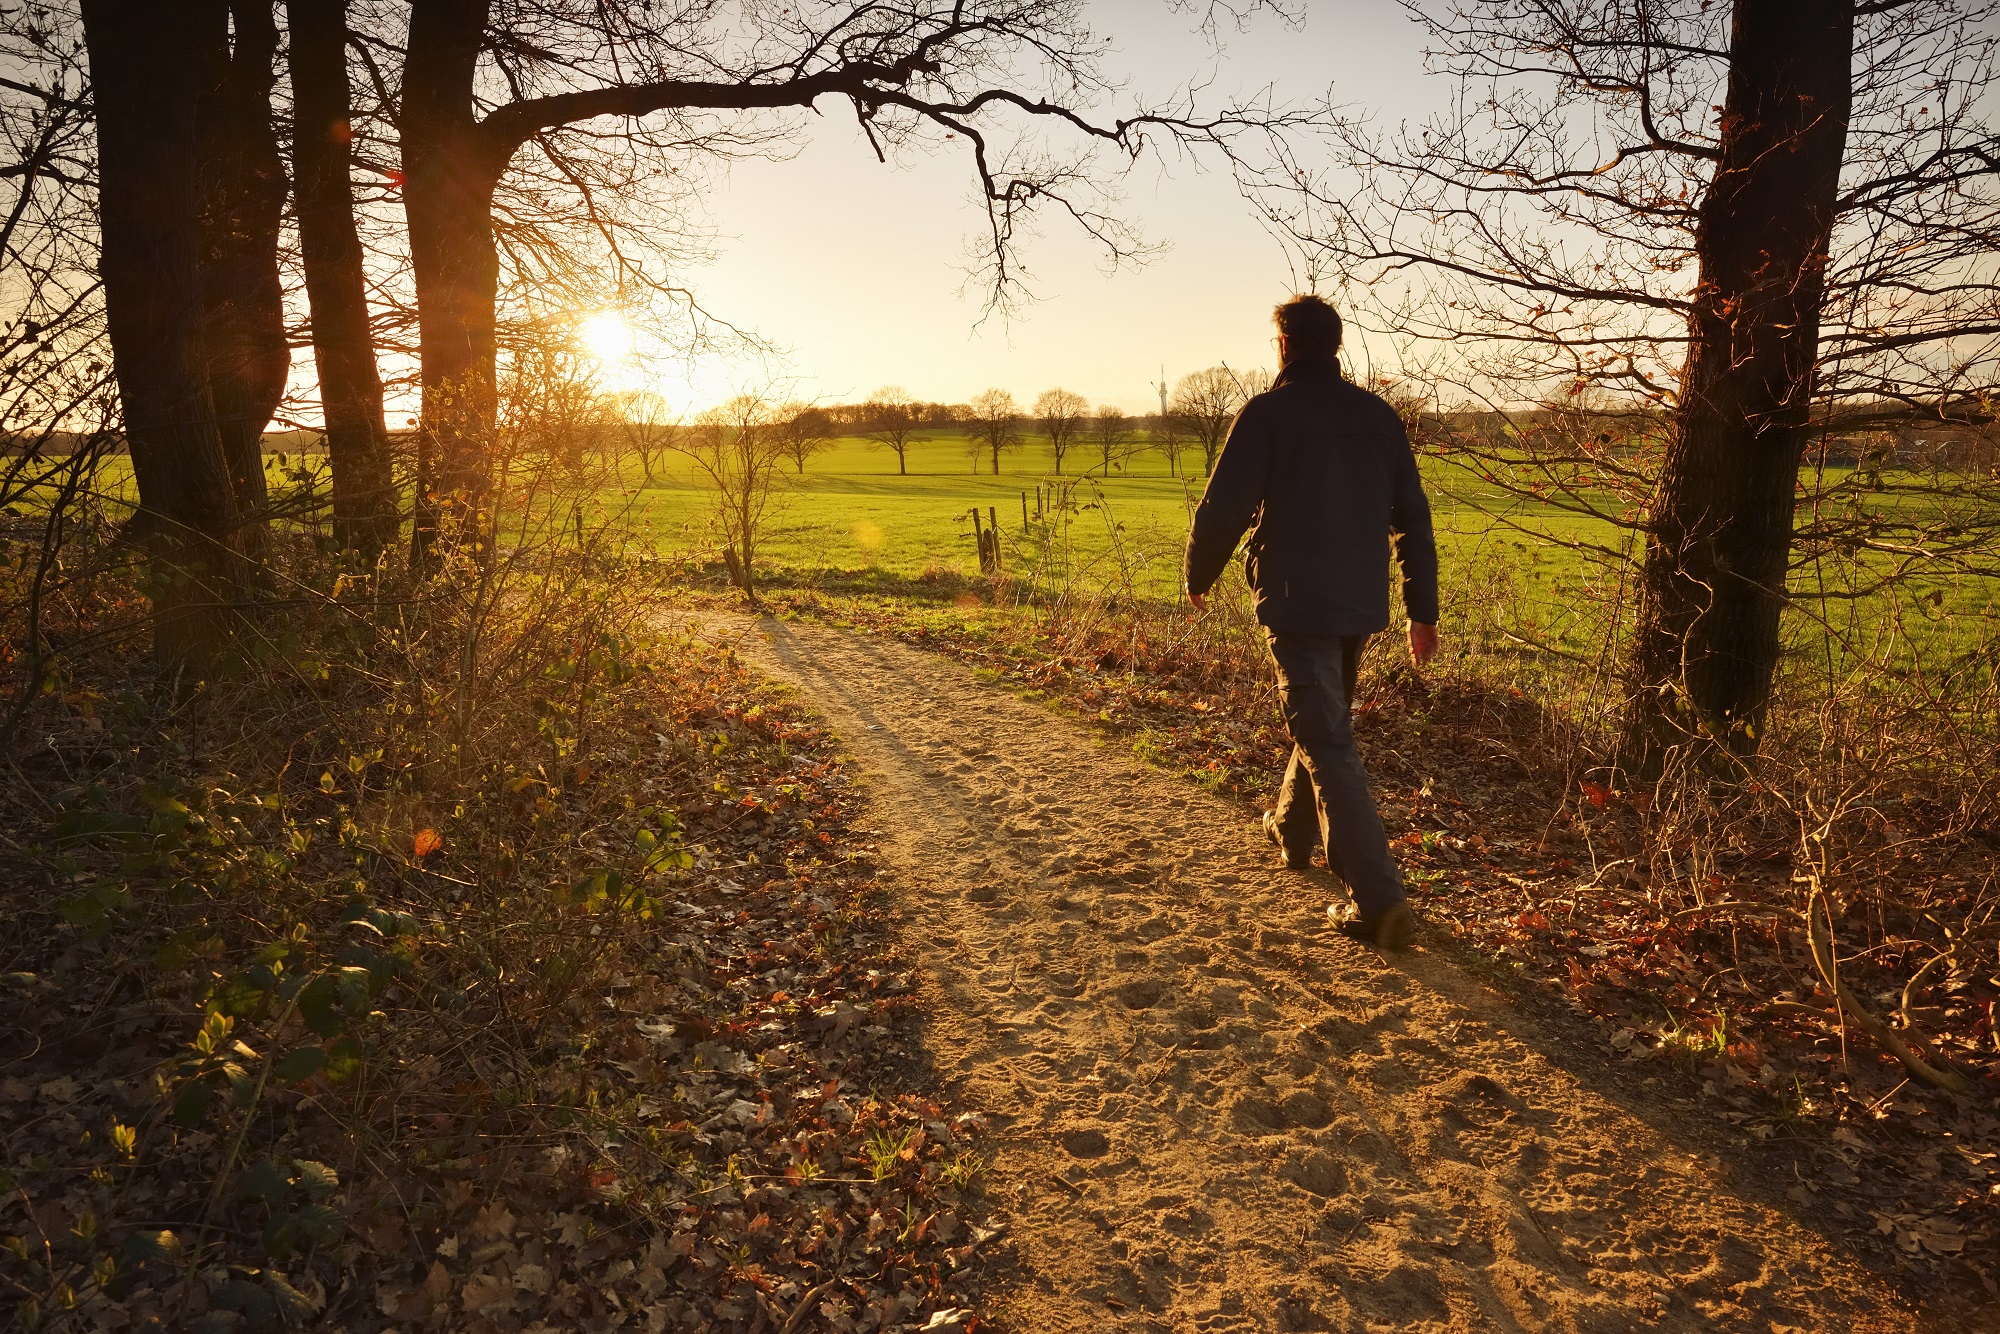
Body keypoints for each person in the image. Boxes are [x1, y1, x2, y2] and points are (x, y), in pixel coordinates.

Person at [1183, 295, 1439, 950]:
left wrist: (1197, 576)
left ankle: (1378, 902)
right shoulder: (1380, 418)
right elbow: (1413, 517)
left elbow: (1224, 507)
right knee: (1322, 720)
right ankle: (1293, 830)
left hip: (1298, 603)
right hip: (1358, 605)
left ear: (1286, 345)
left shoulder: (1268, 414)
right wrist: (1422, 611)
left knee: (1324, 735)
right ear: (1336, 345)